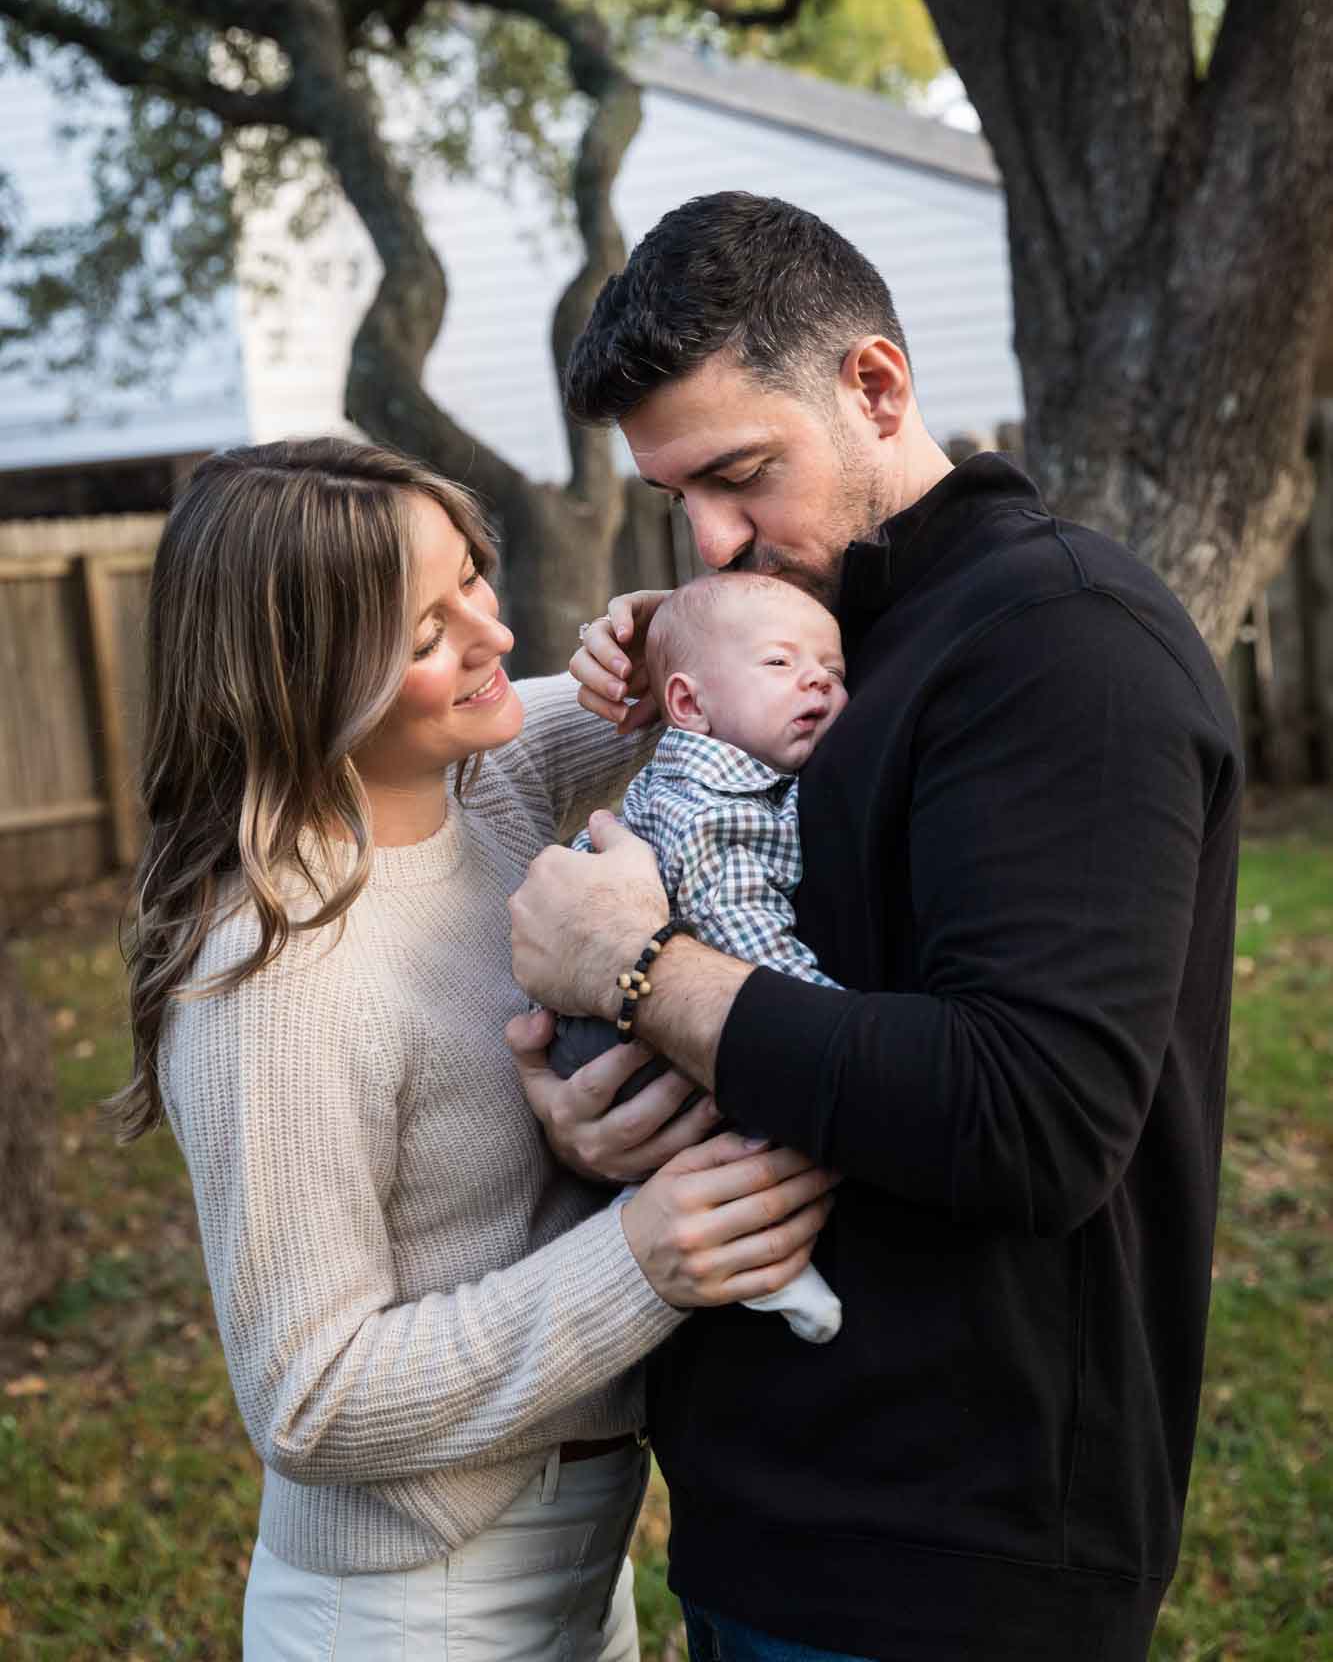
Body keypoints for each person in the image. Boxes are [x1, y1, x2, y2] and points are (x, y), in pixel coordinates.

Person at [506, 192, 1242, 1662]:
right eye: (679, 499)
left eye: (741, 473)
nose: (715, 537)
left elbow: (1033, 1114)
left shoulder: (1061, 646)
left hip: (952, 1561)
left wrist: (641, 973)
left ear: (877, 386)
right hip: (767, 1515)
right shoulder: (821, 634)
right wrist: (600, 1125)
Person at [114, 435, 838, 1662]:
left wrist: (650, 621)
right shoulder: (273, 967)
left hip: (580, 1551)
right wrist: (638, 1258)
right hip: (412, 1603)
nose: (492, 636)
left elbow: (674, 682)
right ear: (298, 675)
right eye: (421, 633)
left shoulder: (480, 776)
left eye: (475, 578)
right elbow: (310, 1393)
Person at [551, 570, 848, 1344]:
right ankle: (762, 1263)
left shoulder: (706, 762)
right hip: (608, 1034)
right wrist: (838, 1028)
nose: (815, 678)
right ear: (686, 704)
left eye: (833, 671)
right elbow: (739, 928)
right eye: (779, 665)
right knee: (764, 1116)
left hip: (596, 1017)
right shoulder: (722, 806)